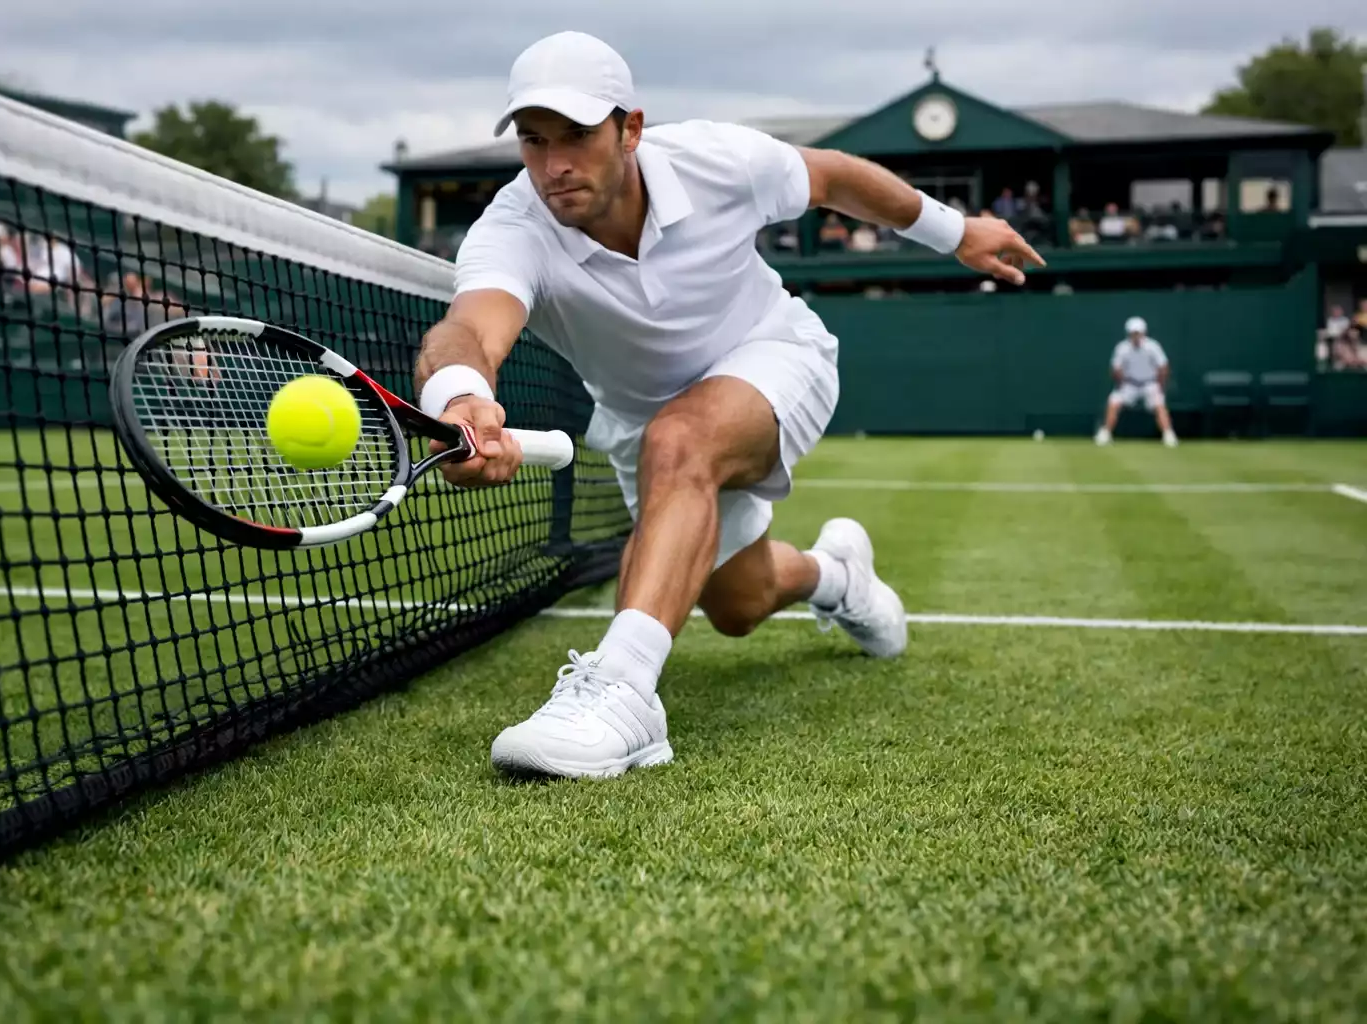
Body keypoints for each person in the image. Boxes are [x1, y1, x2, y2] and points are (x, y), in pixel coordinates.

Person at [412, 31, 1045, 779]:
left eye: (578, 135)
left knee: (681, 440)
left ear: (631, 129)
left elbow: (835, 177)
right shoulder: (513, 228)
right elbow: (469, 330)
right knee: (740, 605)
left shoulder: (717, 160)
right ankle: (836, 575)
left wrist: (958, 231)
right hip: (643, 422)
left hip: (775, 355)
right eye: (534, 140)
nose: (555, 165)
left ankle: (623, 695)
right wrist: (459, 400)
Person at [1095, 316, 1177, 447]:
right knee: (1113, 402)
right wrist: (1120, 383)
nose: (1136, 336)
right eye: (1133, 333)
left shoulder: (1153, 347)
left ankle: (1168, 435)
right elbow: (1116, 368)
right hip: (1129, 384)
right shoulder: (1122, 348)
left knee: (1159, 405)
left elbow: (1163, 367)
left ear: (1144, 332)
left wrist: (1160, 386)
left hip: (1150, 383)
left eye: (1138, 333)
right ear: (1128, 333)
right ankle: (1105, 433)